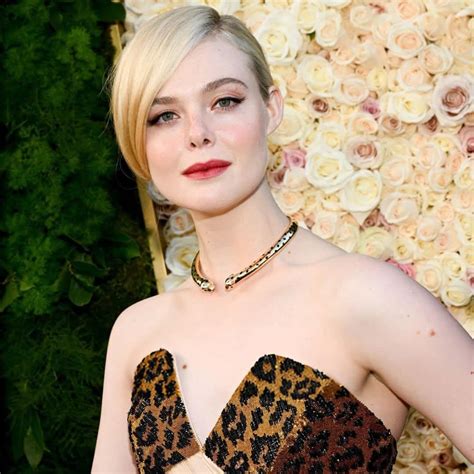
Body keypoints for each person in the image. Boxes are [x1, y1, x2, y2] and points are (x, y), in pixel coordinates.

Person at [91, 5, 473, 473]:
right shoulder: (136, 332)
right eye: (164, 115)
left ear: (271, 108)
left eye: (224, 101)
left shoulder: (365, 297)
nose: (198, 134)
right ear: (139, 143)